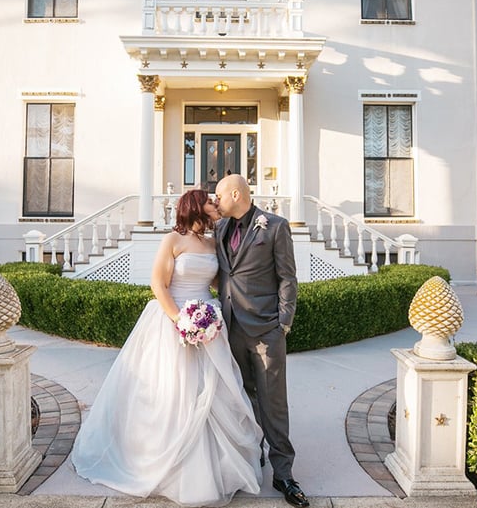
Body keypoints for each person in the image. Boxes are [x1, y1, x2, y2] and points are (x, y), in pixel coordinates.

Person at [71, 188, 263, 507]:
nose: (214, 204)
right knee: (174, 392)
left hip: (209, 321)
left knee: (214, 393)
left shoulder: (214, 242)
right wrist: (180, 320)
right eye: (209, 201)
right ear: (194, 206)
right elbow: (158, 284)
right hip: (173, 321)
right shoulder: (172, 240)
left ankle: (220, 468)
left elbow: (217, 282)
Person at [214, 174, 309, 508]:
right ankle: (253, 455)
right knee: (242, 397)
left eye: (219, 196)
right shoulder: (220, 229)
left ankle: (284, 473)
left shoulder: (276, 226)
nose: (216, 202)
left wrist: (283, 323)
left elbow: (288, 277)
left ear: (236, 194)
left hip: (266, 330)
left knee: (273, 402)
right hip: (230, 327)